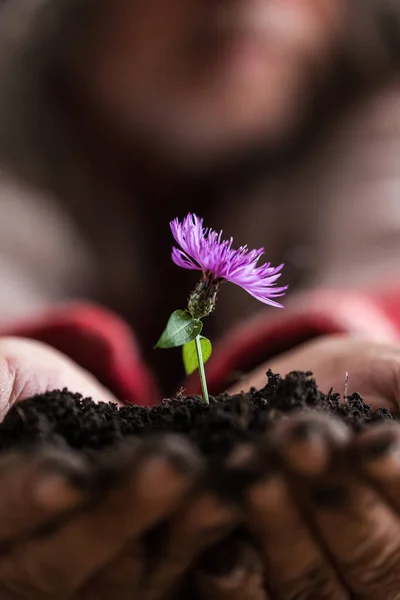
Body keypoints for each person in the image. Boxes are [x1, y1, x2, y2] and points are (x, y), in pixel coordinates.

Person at [0, 0, 400, 598]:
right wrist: (20, 351)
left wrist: (342, 345)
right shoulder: (19, 121)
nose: (249, 6)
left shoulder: (374, 110)